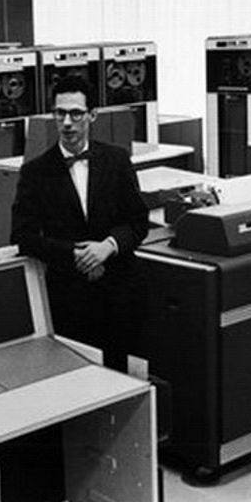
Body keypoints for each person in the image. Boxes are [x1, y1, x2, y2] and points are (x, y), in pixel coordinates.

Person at [10, 75, 149, 371]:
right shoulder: (35, 172)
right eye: (60, 113)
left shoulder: (117, 160)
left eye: (76, 113)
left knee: (123, 376)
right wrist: (73, 254)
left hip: (120, 290)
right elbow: (22, 235)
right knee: (77, 378)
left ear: (92, 115)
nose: (68, 122)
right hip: (69, 296)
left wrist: (108, 246)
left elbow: (138, 222)